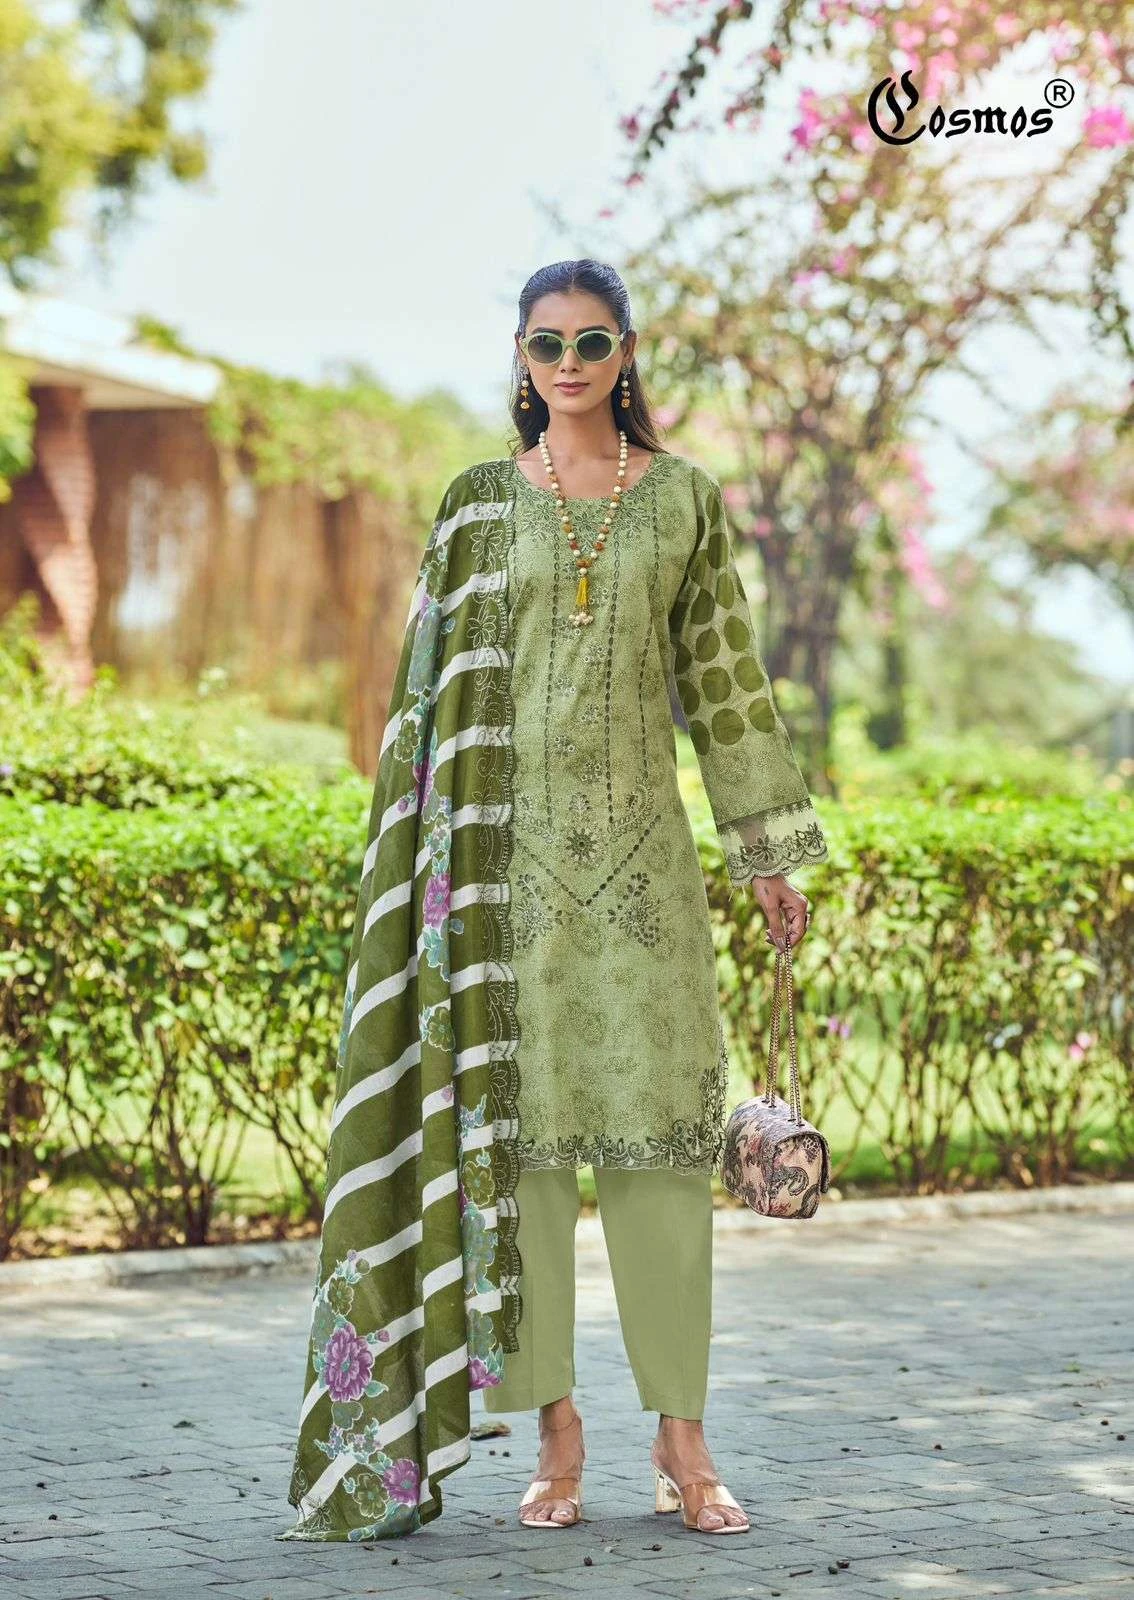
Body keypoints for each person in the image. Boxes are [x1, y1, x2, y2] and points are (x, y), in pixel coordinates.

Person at [279, 258, 827, 1545]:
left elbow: (725, 683)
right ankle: (557, 1428)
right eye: (545, 343)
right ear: (521, 360)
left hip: (647, 881)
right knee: (521, 1161)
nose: (568, 363)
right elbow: (426, 699)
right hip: (503, 883)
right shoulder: (478, 506)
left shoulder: (682, 500)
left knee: (662, 1158)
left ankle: (682, 1438)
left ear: (626, 353)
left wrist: (764, 852)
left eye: (590, 341)